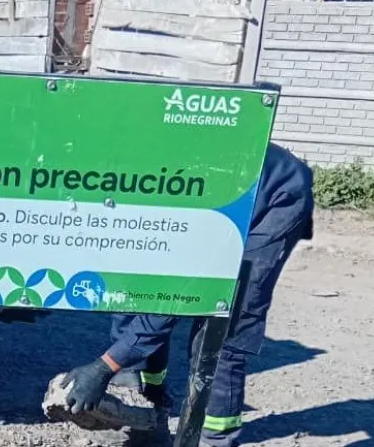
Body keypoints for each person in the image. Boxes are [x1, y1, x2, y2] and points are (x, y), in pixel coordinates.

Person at [60, 143, 315, 447]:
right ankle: (144, 393)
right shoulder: (122, 195)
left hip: (275, 194)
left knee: (223, 326)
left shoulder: (180, 206)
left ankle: (215, 437)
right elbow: (138, 290)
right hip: (219, 189)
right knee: (134, 293)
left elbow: (176, 298)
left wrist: (105, 365)